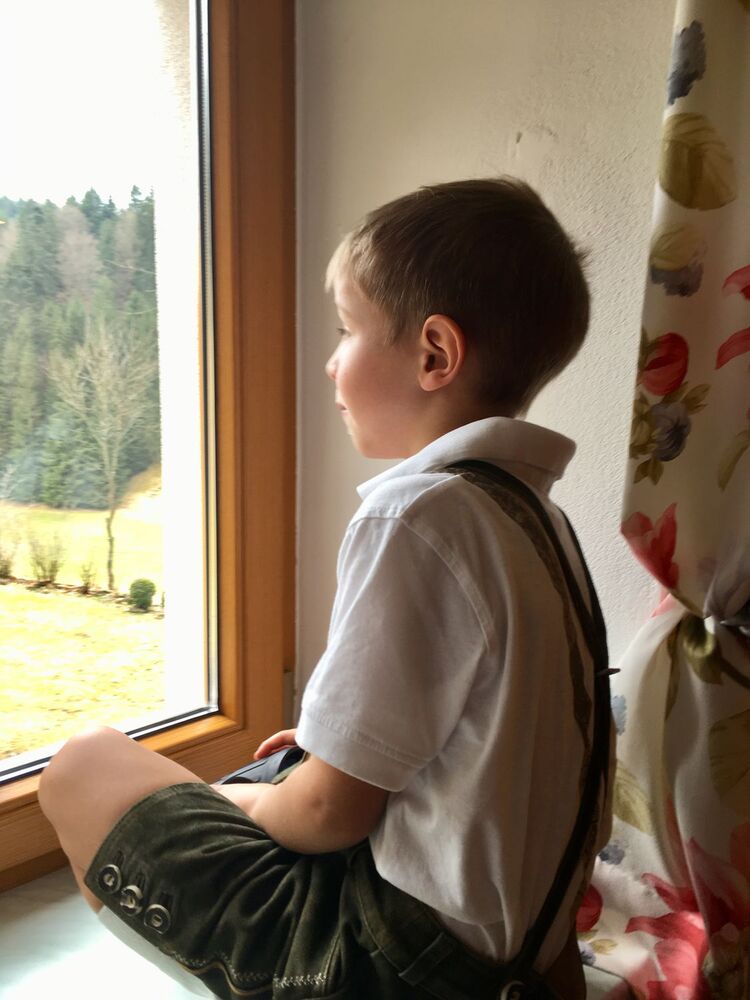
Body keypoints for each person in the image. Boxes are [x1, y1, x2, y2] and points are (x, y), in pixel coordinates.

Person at [39, 177, 613, 1000]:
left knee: (84, 766)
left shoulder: (416, 515)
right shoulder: (538, 522)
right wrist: (329, 755)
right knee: (285, 766)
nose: (331, 361)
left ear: (434, 354)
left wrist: (241, 805)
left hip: (398, 964)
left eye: (346, 330)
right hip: (524, 955)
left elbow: (326, 815)